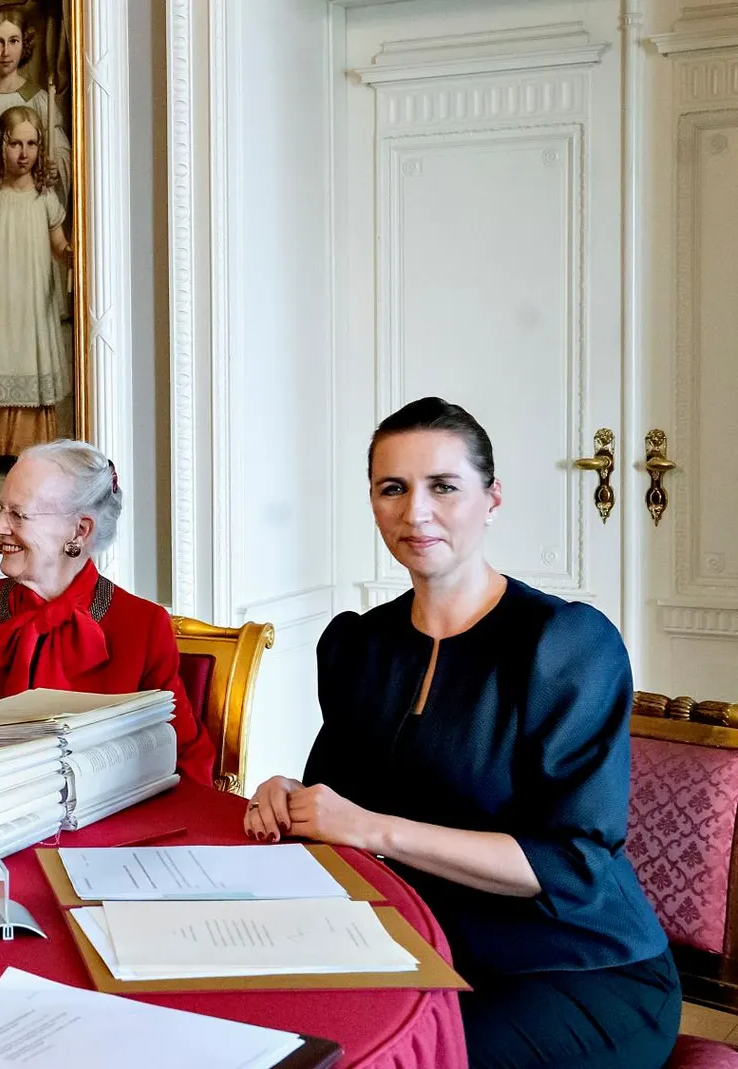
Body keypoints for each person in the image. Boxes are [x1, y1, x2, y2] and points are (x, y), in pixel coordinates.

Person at [245, 398, 679, 1069]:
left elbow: (571, 862)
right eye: (394, 488)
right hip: (427, 945)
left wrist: (372, 827)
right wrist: (287, 794)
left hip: (578, 966)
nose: (416, 512)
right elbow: (339, 804)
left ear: (492, 498)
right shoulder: (360, 645)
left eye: (443, 486)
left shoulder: (566, 644)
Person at [0, 439, 212, 785]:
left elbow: (186, 764)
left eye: (18, 514)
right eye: (0, 507)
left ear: (79, 531)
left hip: (94, 834)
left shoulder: (140, 626)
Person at [0, 106, 70, 470]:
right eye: (16, 144)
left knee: (29, 361)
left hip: (34, 299)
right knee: (1, 359)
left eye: (32, 144)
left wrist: (71, 254)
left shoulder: (44, 198)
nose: (24, 153)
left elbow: (58, 245)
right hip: (1, 298)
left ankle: (28, 446)